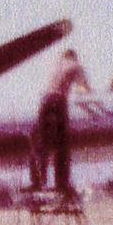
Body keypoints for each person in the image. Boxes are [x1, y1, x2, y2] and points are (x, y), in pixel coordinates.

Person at [31, 48, 91, 191]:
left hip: (45, 100)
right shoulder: (75, 65)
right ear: (74, 56)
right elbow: (85, 88)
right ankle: (61, 184)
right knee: (62, 144)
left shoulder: (56, 64)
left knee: (41, 143)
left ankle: (38, 182)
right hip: (58, 100)